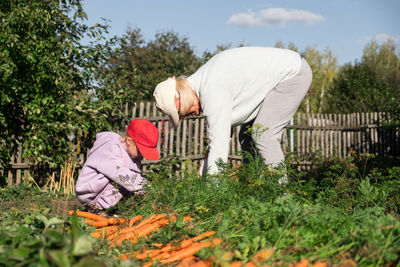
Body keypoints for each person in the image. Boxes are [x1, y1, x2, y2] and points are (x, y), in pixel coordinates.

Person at [153, 46, 312, 176]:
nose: (185, 117)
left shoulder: (212, 91)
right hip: (279, 77)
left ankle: (281, 199)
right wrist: (203, 173)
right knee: (247, 134)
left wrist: (211, 195)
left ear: (181, 97)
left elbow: (219, 148)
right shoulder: (203, 82)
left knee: (264, 133)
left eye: (181, 113)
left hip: (292, 74)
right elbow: (217, 139)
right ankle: (254, 186)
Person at [75, 118, 160, 212]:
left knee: (131, 180)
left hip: (103, 193)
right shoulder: (111, 147)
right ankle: (97, 209)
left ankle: (111, 209)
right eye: (140, 151)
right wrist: (145, 186)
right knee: (123, 177)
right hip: (90, 193)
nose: (142, 155)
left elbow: (135, 177)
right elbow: (120, 173)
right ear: (129, 141)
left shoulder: (132, 155)